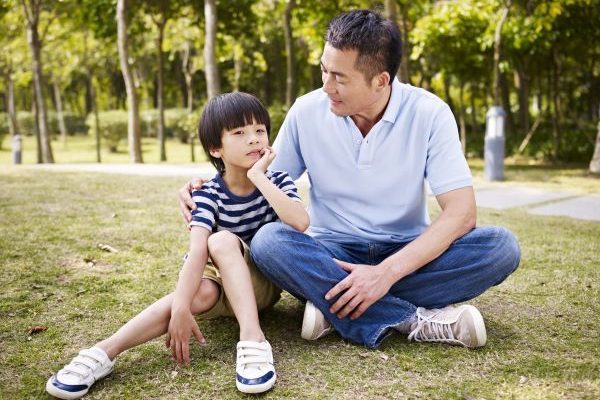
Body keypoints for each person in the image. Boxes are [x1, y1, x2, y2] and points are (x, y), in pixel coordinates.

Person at [179, 10, 521, 350]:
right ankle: (411, 318)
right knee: (271, 242)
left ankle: (333, 304)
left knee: (500, 248)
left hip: (405, 252)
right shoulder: (307, 111)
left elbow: (461, 214)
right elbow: (258, 176)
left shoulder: (429, 114)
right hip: (329, 251)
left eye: (339, 78)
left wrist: (384, 274)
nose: (326, 86)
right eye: (324, 71)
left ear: (380, 81)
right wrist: (207, 186)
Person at [46, 92, 309, 399]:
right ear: (215, 148)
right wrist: (181, 309)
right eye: (239, 133)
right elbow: (197, 251)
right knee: (201, 284)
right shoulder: (208, 193)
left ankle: (253, 339)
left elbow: (299, 222)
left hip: (261, 285)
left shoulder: (277, 180)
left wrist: (258, 177)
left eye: (260, 131)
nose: (253, 139)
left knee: (222, 240)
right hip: (219, 285)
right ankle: (103, 352)